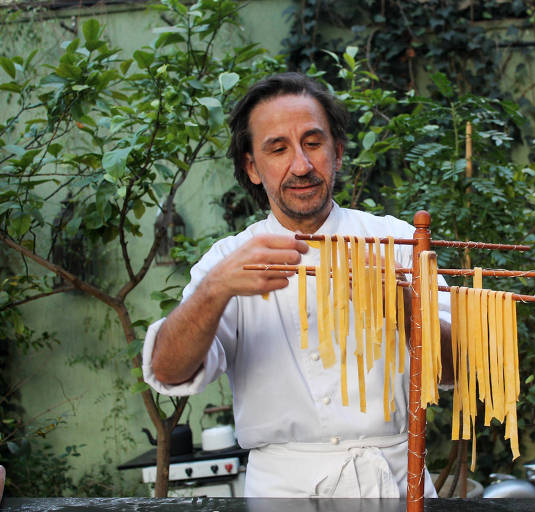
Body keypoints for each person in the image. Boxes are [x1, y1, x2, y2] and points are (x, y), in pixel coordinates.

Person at [142, 72, 451, 498]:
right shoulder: (226, 263)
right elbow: (167, 370)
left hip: (395, 485)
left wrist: (397, 301)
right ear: (252, 166)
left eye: (313, 143)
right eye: (278, 148)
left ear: (337, 153)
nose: (301, 166)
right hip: (282, 493)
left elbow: (457, 366)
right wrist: (214, 291)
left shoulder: (397, 243)